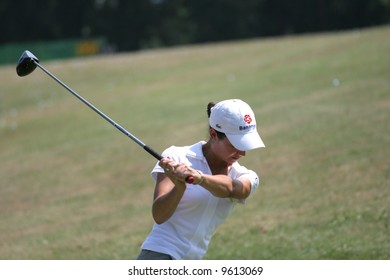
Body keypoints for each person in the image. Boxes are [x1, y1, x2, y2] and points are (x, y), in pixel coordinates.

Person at [136, 99, 265, 260]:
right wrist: (179, 188)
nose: (242, 153)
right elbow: (159, 216)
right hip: (160, 255)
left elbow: (235, 189)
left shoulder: (245, 175)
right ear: (213, 134)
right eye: (235, 144)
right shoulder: (176, 156)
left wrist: (199, 178)